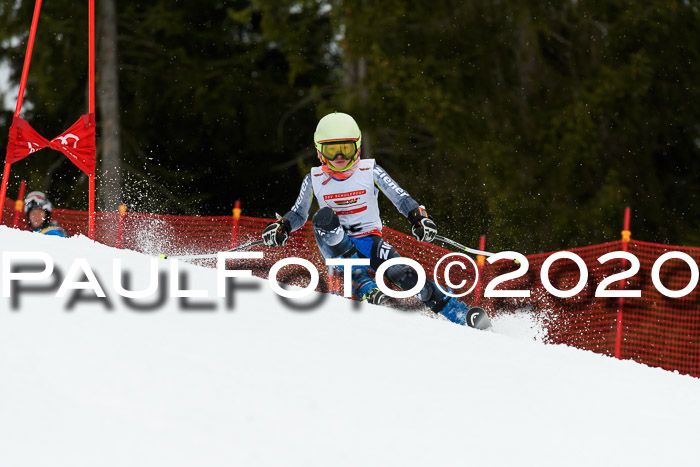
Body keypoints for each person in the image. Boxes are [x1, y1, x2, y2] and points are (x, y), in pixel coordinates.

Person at [261, 112, 490, 329]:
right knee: (324, 217)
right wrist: (283, 227)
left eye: (346, 149)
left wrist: (418, 218)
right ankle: (363, 284)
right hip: (334, 243)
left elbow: (400, 198)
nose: (340, 158)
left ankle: (458, 312)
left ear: (357, 147)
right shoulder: (314, 178)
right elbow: (299, 213)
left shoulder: (370, 171)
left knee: (404, 274)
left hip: (368, 241)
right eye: (332, 151)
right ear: (320, 152)